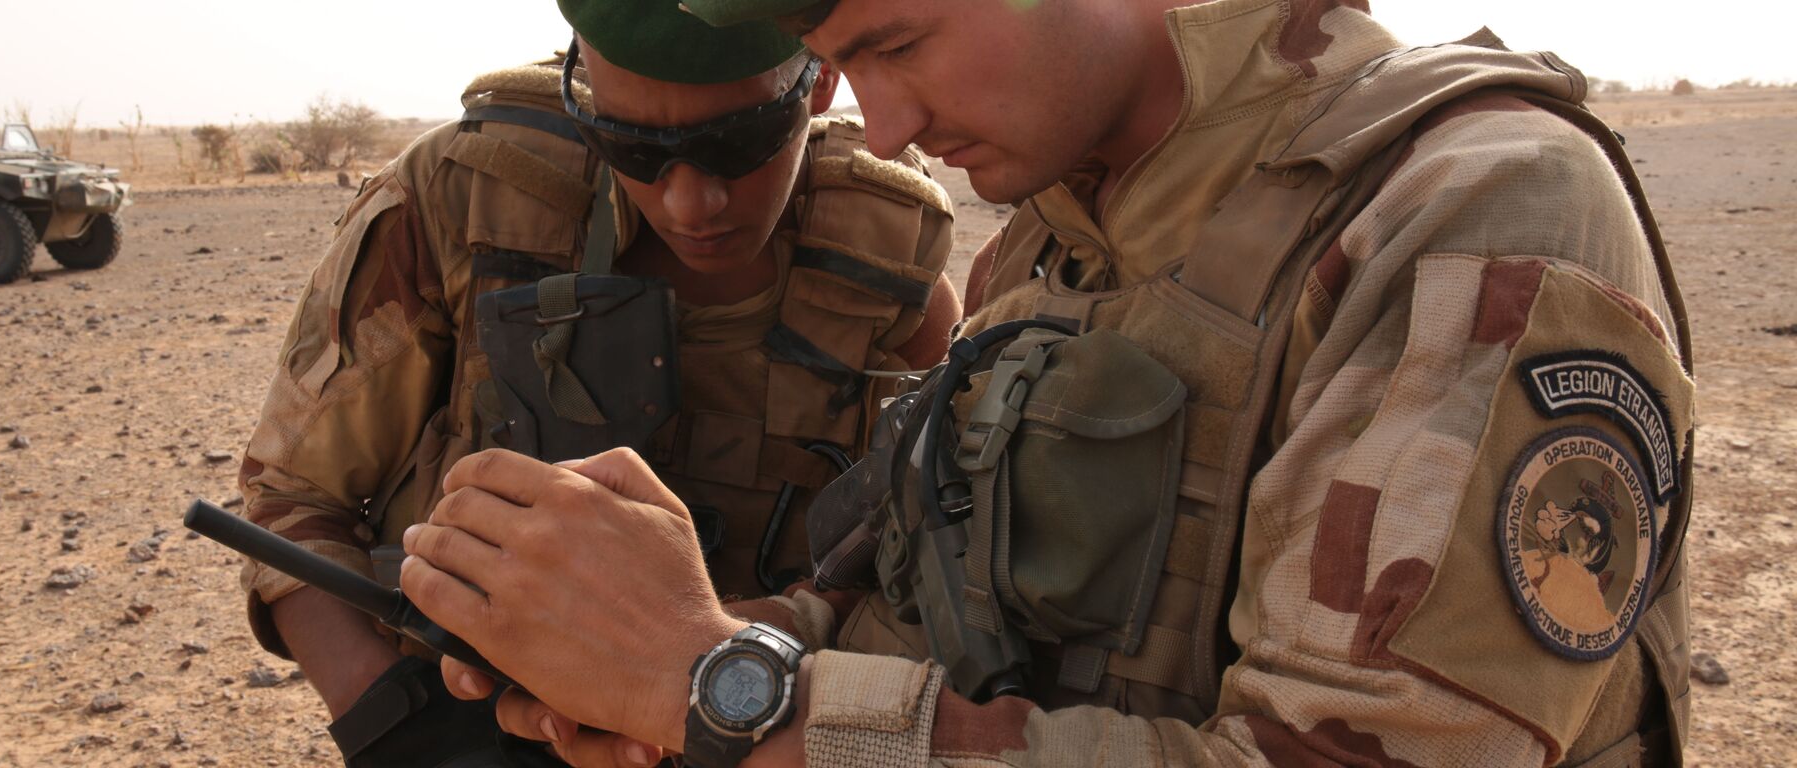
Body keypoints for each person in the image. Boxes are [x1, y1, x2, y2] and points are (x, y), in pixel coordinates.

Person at [399, 0, 1696, 766]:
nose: (887, 126)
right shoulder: (1045, 251)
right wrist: (661, 640)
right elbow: (938, 624)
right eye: (850, 72)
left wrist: (733, 696)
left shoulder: (1471, 206)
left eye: (898, 40)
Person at [232, 0, 962, 763]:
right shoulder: (466, 198)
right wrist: (397, 722)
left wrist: (768, 639)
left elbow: (926, 559)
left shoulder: (884, 259)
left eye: (738, 141)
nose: (692, 203)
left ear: (820, 83)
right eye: (634, 146)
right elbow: (291, 497)